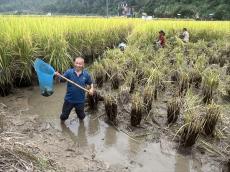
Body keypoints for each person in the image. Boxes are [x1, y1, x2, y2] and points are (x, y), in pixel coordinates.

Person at [55, 57, 94, 124]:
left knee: (81, 116)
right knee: (64, 116)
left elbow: (91, 83)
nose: (78, 65)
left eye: (80, 64)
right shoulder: (69, 72)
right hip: (69, 99)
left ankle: (81, 127)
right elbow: (58, 82)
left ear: (83, 64)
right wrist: (57, 76)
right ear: (74, 63)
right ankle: (62, 125)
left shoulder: (86, 74)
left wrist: (91, 89)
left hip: (80, 100)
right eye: (76, 63)